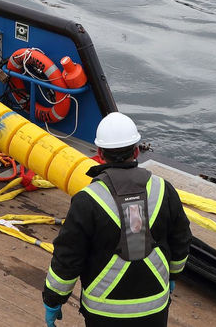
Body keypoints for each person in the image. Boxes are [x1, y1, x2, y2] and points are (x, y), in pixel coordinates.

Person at [42, 112, 191, 327]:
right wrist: (173, 276)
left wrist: (53, 299)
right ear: (137, 151)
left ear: (100, 154)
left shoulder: (87, 200)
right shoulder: (163, 190)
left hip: (103, 311)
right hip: (154, 306)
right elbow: (181, 241)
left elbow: (68, 257)